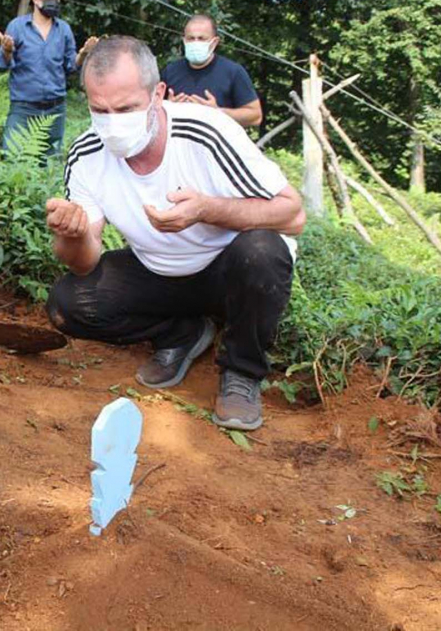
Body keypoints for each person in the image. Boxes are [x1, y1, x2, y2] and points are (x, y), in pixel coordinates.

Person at [45, 36, 305, 432]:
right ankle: (183, 333)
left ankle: (241, 372)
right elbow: (85, 262)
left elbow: (292, 212)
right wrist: (71, 233)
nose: (113, 122)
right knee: (68, 302)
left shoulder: (205, 132)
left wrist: (207, 209)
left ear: (157, 94)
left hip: (227, 271)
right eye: (100, 110)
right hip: (160, 270)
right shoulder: (86, 153)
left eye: (127, 108)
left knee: (262, 251)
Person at [0, 0, 98, 158]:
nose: (54, 2)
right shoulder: (17, 27)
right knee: (13, 158)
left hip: (55, 107)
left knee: (49, 161)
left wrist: (83, 54)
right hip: (23, 107)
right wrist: (7, 51)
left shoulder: (64, 29)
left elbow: (70, 67)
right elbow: (1, 65)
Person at [161, 14, 263, 128]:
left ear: (214, 42)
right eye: (191, 38)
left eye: (201, 38)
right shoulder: (170, 71)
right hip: (178, 144)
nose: (195, 42)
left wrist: (217, 112)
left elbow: (255, 116)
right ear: (184, 40)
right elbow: (149, 111)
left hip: (217, 144)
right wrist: (167, 108)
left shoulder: (233, 72)